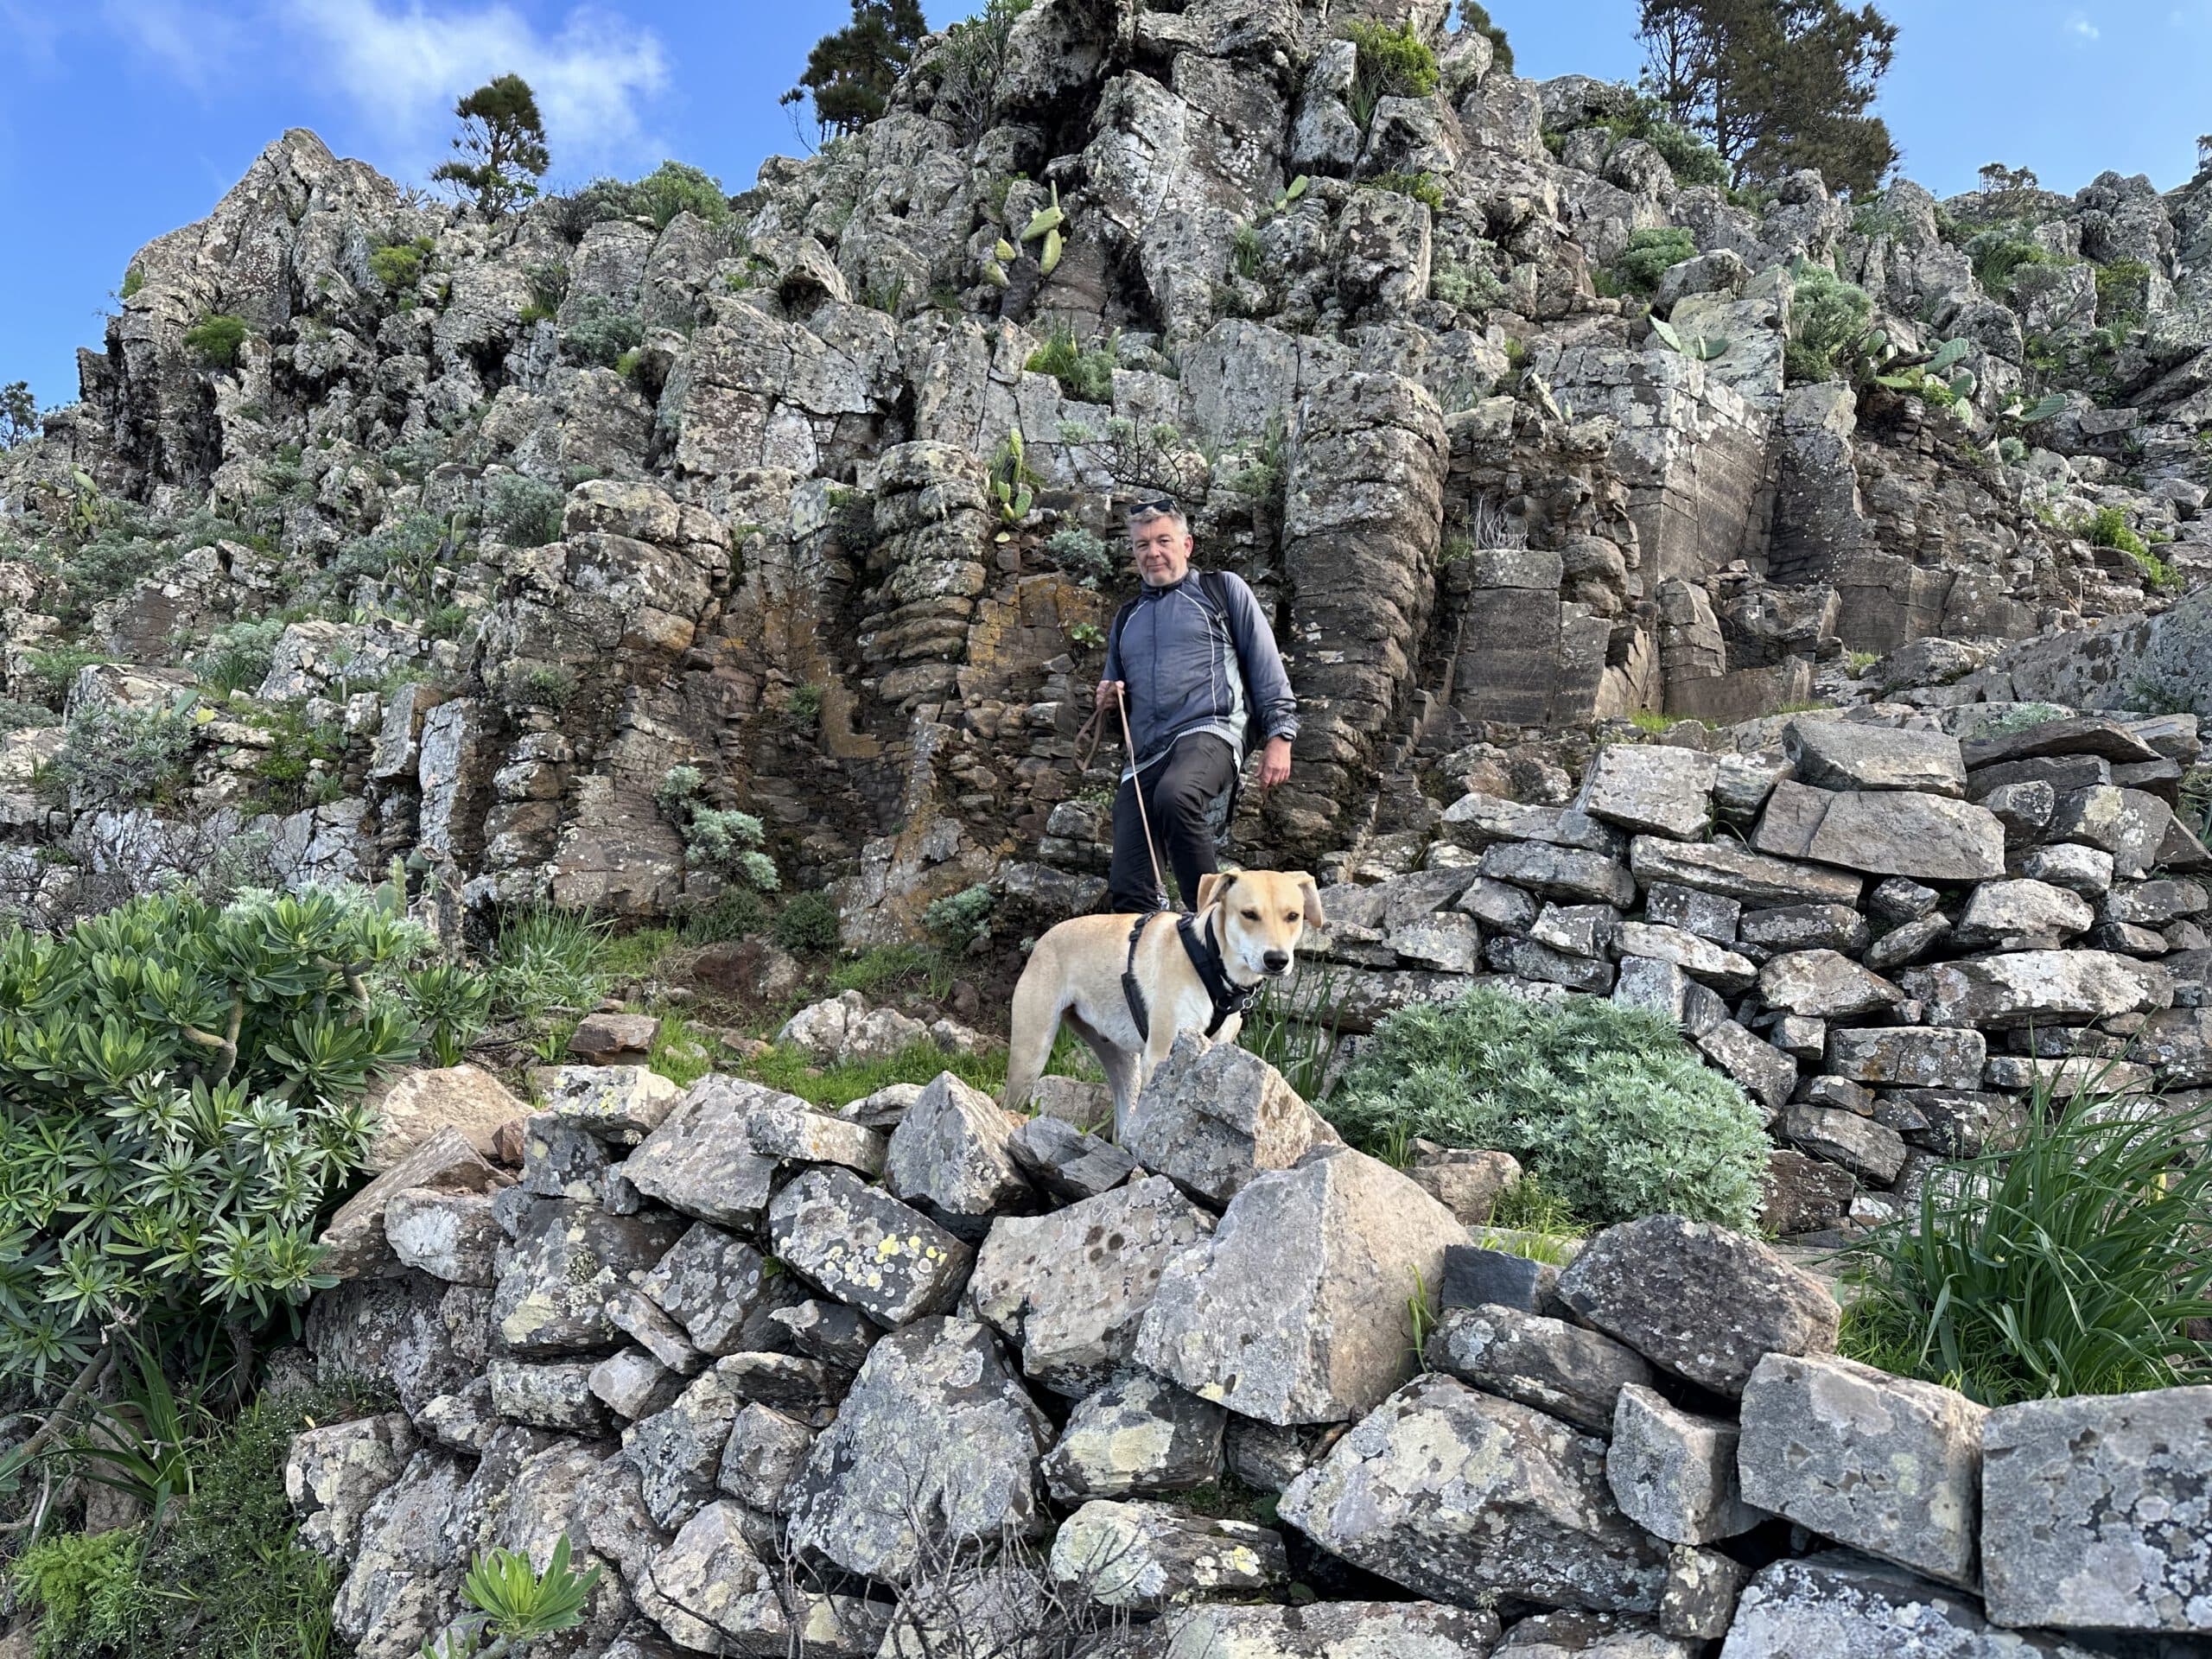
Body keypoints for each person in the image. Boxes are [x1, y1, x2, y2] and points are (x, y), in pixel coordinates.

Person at [1096, 496, 1299, 912]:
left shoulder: (1221, 590)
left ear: (1186, 545)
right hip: (1144, 756)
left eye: (1163, 541)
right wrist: (1107, 699)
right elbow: (1114, 693)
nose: (1153, 553)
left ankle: (1213, 919)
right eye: (1142, 545)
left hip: (1211, 731)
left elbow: (1265, 664)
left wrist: (1281, 736)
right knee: (1128, 886)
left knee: (1176, 795)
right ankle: (1150, 967)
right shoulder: (1126, 618)